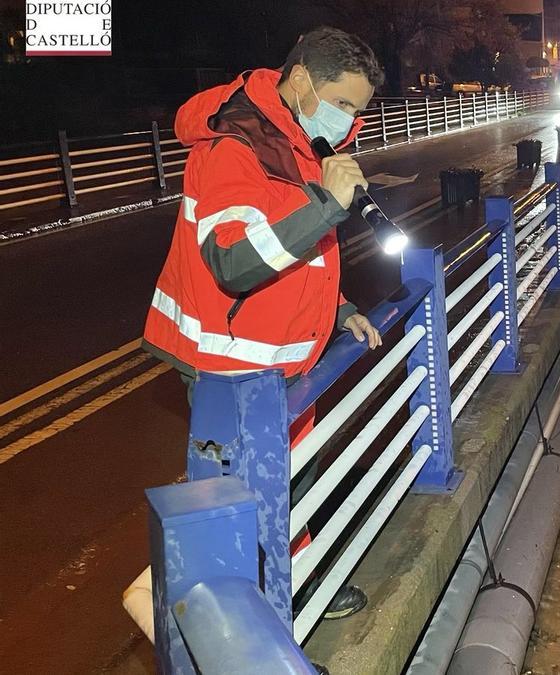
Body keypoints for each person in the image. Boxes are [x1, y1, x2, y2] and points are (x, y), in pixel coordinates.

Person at [141, 26, 385, 621]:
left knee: (285, 483)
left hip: (274, 359)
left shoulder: (299, 142)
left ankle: (292, 593)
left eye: (359, 109)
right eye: (344, 103)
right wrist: (326, 205)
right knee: (247, 502)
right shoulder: (237, 148)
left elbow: (298, 256)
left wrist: (339, 310)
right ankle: (260, 634)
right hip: (228, 365)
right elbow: (235, 263)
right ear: (301, 79)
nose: (349, 120)